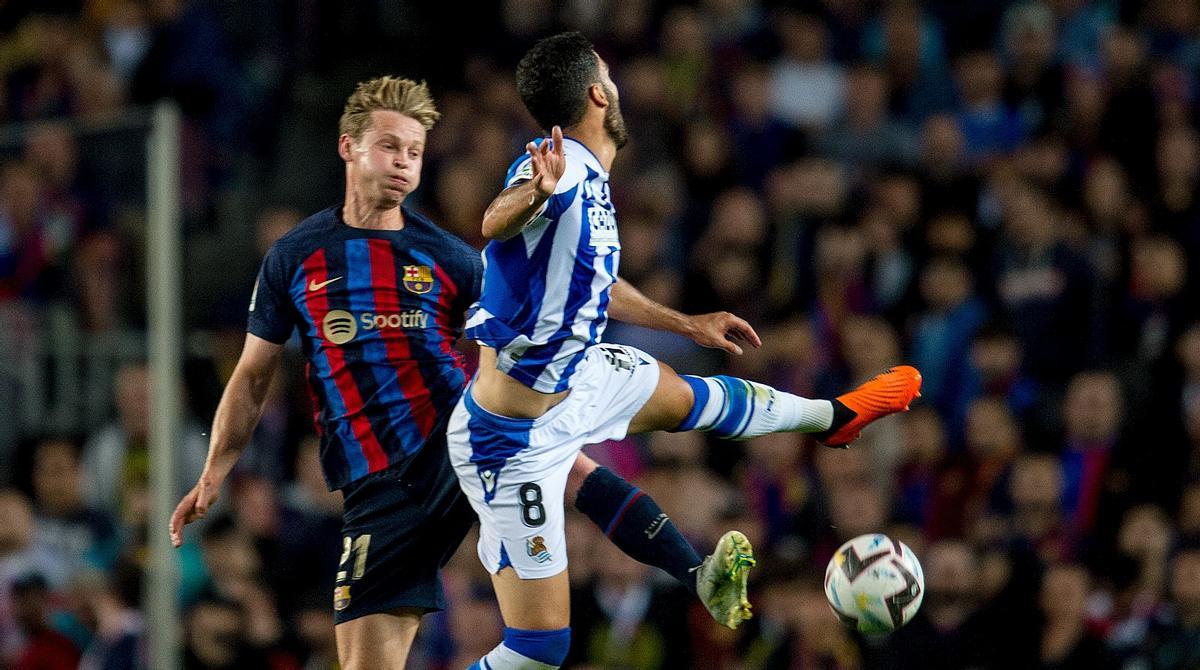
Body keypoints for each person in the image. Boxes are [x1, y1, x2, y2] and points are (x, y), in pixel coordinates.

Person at [168, 76, 747, 670]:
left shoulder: (443, 254)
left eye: (415, 153)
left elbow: (578, 283)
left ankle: (700, 574)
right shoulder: (295, 256)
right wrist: (214, 472)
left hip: (456, 435)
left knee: (565, 464)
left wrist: (683, 323)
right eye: (390, 147)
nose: (404, 164)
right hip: (379, 487)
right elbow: (253, 376)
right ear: (348, 147)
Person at [449, 32, 922, 670]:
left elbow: (595, 285)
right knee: (539, 649)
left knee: (690, 398)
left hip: (577, 376)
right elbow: (494, 219)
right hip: (507, 438)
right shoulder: (556, 169)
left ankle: (834, 419)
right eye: (610, 77)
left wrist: (685, 323)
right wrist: (534, 188)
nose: (616, 87)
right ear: (597, 93)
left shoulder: (592, 186)